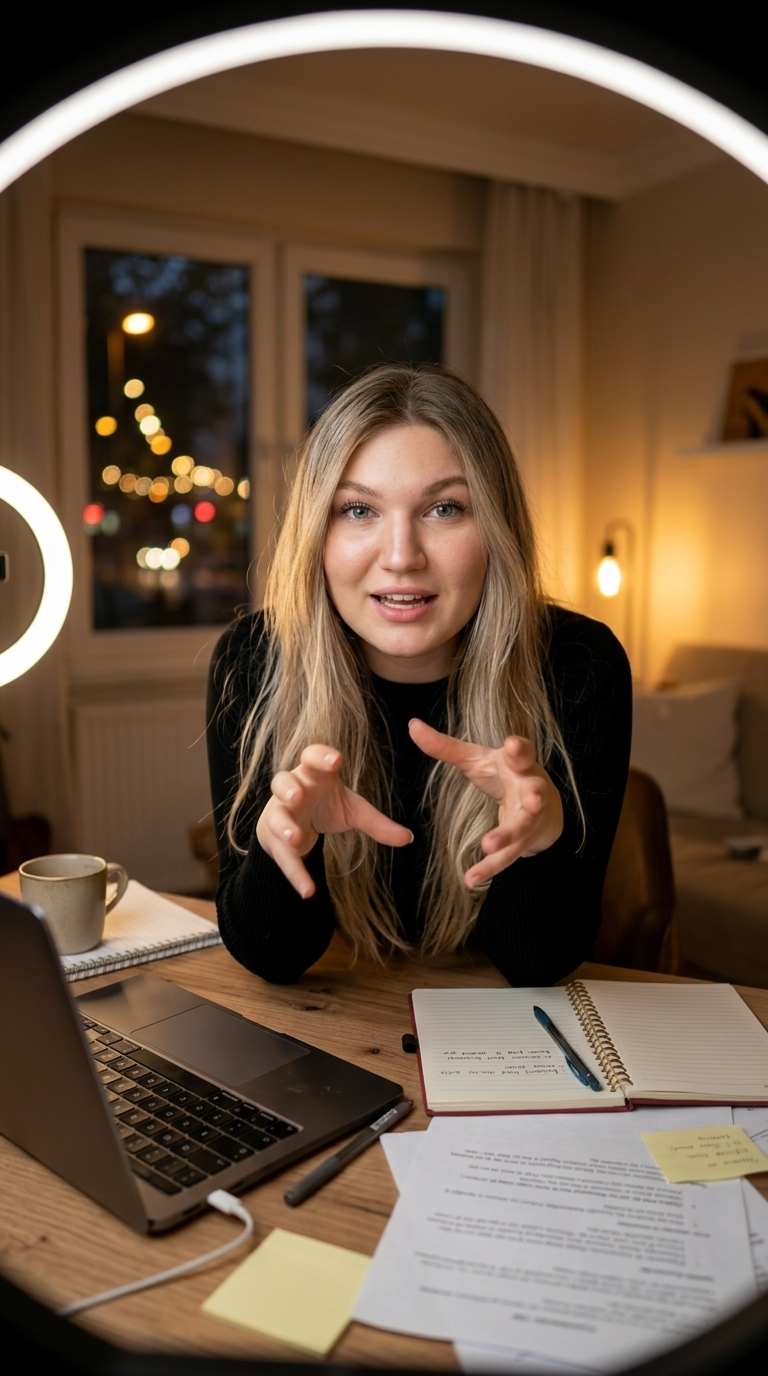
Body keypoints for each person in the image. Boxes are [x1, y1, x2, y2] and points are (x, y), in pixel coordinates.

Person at [206, 364, 631, 986]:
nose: (402, 555)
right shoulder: (254, 658)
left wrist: (537, 846)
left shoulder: (578, 664)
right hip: (345, 1022)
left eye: (443, 508)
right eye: (358, 509)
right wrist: (284, 854)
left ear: (497, 529)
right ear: (316, 536)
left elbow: (538, 965)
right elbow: (274, 959)